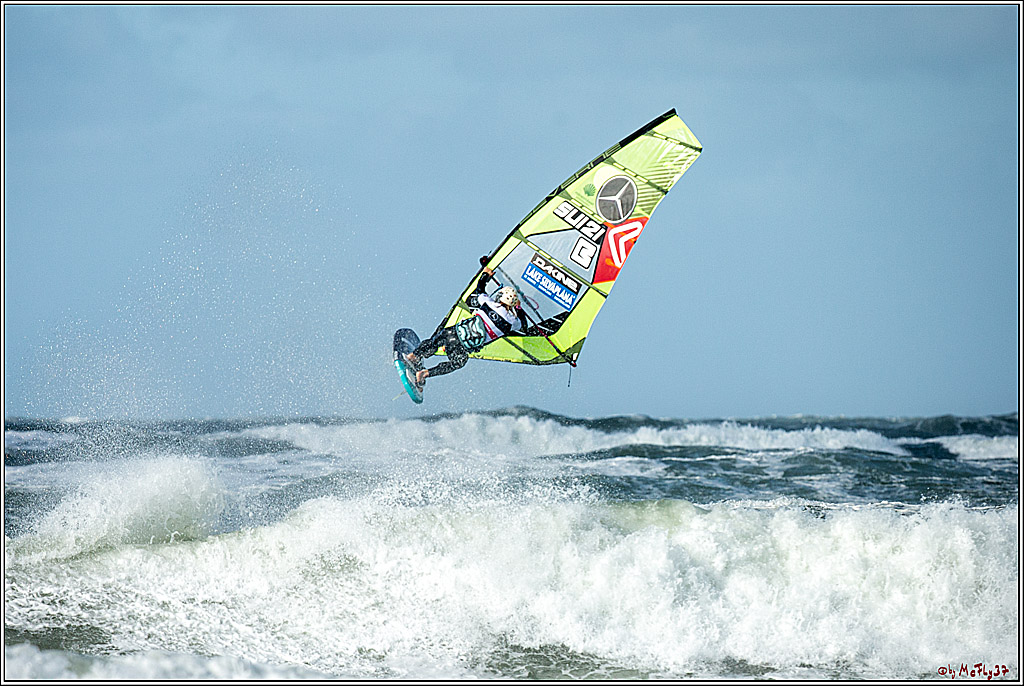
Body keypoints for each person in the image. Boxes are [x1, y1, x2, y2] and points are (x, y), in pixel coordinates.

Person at [406, 265, 528, 385]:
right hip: (461, 346)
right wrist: (518, 307)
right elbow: (524, 325)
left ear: (500, 296)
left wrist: (485, 274)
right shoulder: (511, 323)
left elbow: (479, 290)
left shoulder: (488, 303)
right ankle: (424, 374)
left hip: (453, 332)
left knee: (434, 341)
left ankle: (413, 356)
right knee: (458, 363)